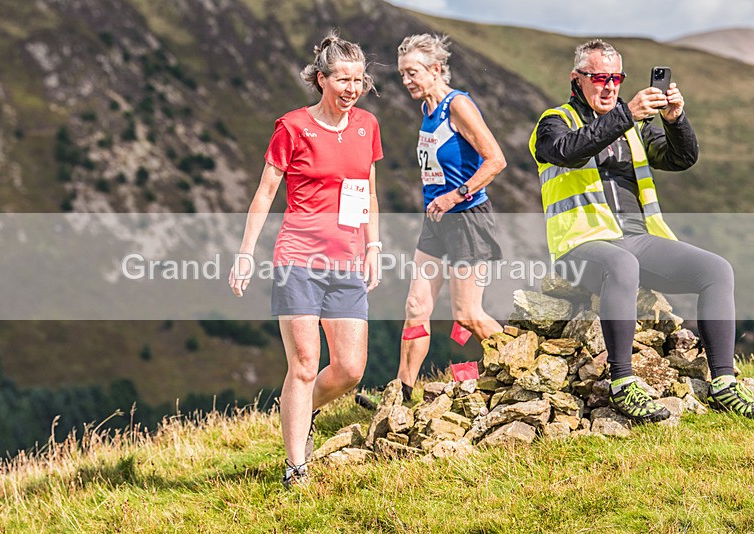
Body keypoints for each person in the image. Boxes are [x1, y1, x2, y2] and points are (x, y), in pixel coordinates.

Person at [529, 39, 754, 423]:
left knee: (717, 270)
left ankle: (724, 383)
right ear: (576, 78)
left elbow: (681, 158)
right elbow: (567, 151)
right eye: (599, 77)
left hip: (637, 239)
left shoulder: (633, 128)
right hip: (579, 244)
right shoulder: (554, 122)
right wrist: (625, 115)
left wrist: (675, 120)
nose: (609, 86)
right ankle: (622, 383)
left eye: (616, 78)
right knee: (621, 264)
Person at [229, 31, 382, 488]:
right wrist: (245, 253)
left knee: (350, 369)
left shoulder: (367, 126)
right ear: (321, 79)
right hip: (298, 259)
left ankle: (302, 408)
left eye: (359, 80)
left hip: (348, 260)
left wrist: (374, 247)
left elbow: (369, 192)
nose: (352, 89)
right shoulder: (292, 127)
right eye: (343, 80)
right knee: (304, 363)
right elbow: (265, 193)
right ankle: (296, 468)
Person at [394, 34, 506, 401]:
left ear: (436, 69)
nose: (406, 81)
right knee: (416, 306)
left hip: (467, 218)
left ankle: (522, 365)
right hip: (437, 220)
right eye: (402, 74)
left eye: (412, 73)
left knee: (467, 315)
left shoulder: (457, 105)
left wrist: (456, 195)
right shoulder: (427, 111)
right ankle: (401, 394)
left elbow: (496, 160)